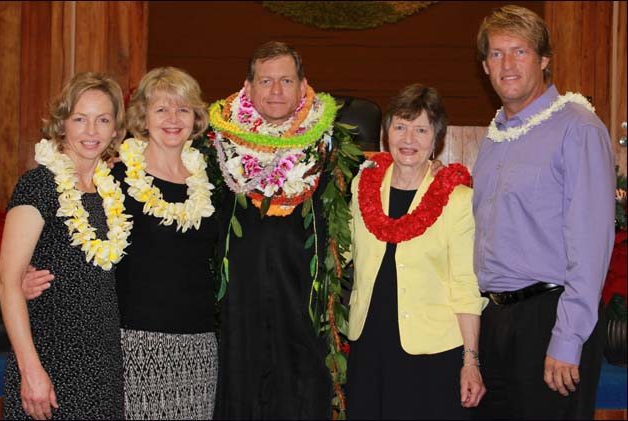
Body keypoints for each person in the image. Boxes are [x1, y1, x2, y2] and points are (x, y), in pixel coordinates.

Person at [22, 67, 219, 420]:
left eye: (183, 109)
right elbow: (66, 241)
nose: (173, 119)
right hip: (133, 346)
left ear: (196, 118)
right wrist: (25, 277)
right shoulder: (110, 178)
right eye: (161, 109)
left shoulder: (214, 182)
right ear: (143, 117)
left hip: (199, 345)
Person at [471, 5, 616, 420]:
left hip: (549, 319)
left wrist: (567, 339)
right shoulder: (496, 133)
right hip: (494, 321)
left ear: (544, 60)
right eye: (496, 54)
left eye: (520, 52)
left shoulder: (578, 128)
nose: (507, 64)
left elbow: (590, 246)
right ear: (485, 66)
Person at [208, 40, 362, 419]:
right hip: (238, 308)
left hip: (304, 303)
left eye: (286, 80)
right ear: (248, 87)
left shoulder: (331, 148)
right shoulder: (216, 147)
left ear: (303, 85)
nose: (276, 91)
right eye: (265, 81)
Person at [346, 84, 487, 420]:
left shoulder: (457, 200)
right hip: (369, 343)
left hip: (432, 352)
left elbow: (465, 285)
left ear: (436, 139)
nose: (409, 139)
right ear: (385, 134)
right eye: (400, 127)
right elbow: (344, 255)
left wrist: (471, 360)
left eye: (421, 129)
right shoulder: (360, 186)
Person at [0, 72, 131, 419]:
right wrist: (31, 372)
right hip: (49, 359)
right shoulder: (38, 185)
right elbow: (7, 282)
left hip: (102, 364)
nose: (91, 131)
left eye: (103, 120)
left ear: (116, 129)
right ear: (62, 124)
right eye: (80, 119)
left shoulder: (110, 191)